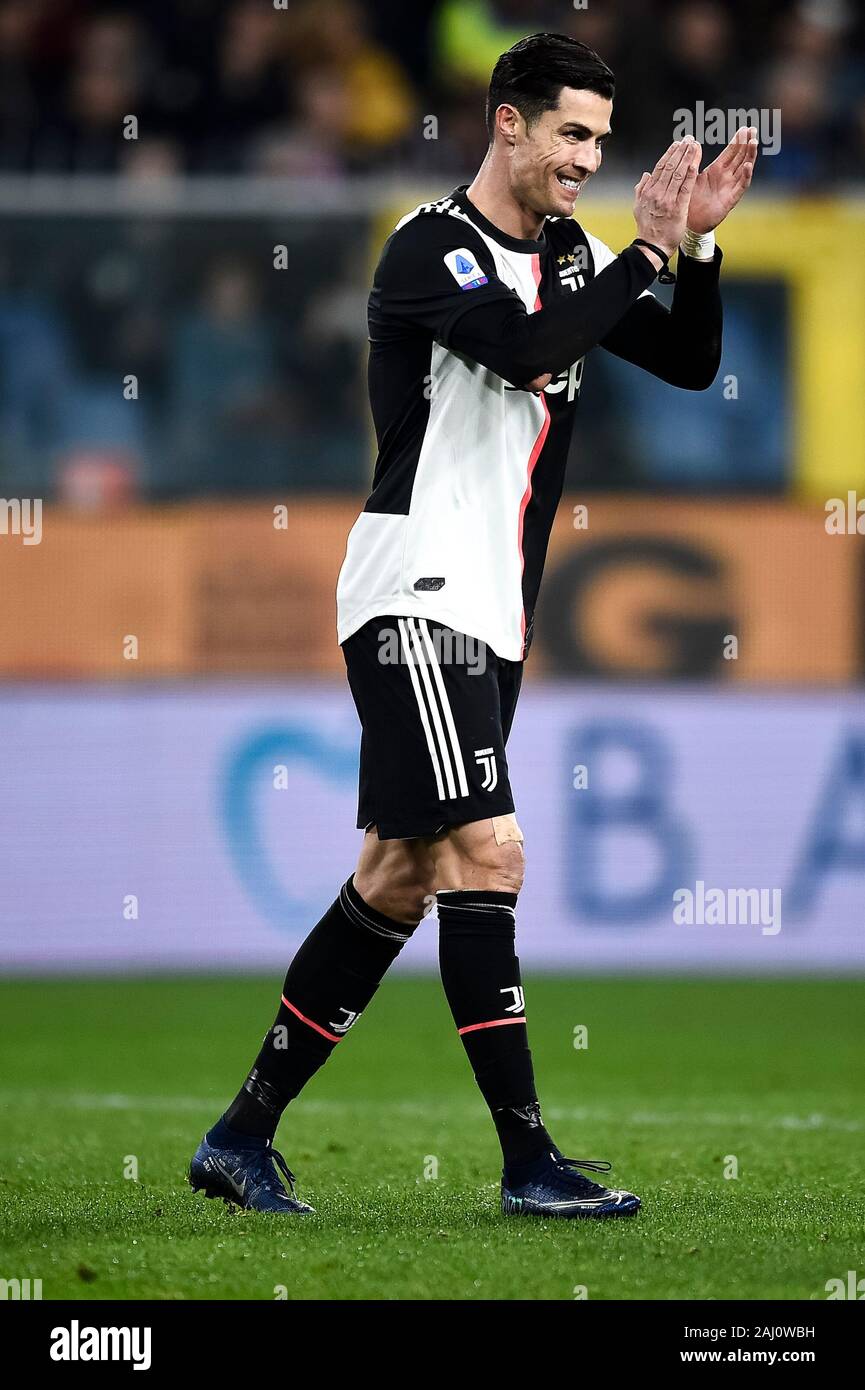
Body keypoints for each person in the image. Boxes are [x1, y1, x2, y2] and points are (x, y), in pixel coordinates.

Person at [189, 31, 756, 1219]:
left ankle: (241, 1136)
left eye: (601, 139)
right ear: (508, 121)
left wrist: (692, 247)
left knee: (397, 876)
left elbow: (692, 362)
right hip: (417, 594)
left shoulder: (572, 249)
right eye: (570, 133)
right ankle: (527, 1159)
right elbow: (527, 348)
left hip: (489, 611)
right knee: (487, 851)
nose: (587, 159)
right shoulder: (428, 249)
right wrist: (643, 249)